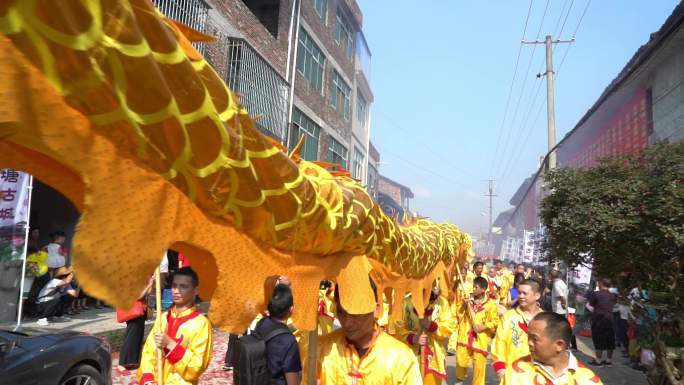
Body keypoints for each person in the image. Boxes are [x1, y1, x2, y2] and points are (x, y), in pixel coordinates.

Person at [316, 278, 421, 384]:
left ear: (376, 310)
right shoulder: (321, 351)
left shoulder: (401, 358)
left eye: (356, 313)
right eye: (341, 312)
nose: (347, 322)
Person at [138, 267, 213, 385]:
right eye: (174, 285)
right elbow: (148, 351)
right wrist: (148, 378)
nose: (176, 291)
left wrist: (170, 344)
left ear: (196, 290)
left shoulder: (201, 323)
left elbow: (197, 367)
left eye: (183, 286)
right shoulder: (163, 318)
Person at [508, 312, 603, 385]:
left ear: (559, 345)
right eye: (528, 337)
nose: (529, 343)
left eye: (534, 339)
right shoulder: (517, 371)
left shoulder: (588, 380)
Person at [395, 285, 454, 385]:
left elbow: (449, 325)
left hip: (435, 356)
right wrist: (413, 338)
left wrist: (431, 326)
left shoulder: (442, 303)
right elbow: (398, 328)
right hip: (411, 356)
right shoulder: (405, 303)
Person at [492, 279, 543, 384]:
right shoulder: (508, 317)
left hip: (537, 376)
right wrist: (500, 367)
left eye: (525, 293)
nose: (520, 296)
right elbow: (499, 342)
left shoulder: (545, 319)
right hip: (511, 375)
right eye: (519, 293)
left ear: (537, 295)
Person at [453, 276, 499, 385]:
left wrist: (484, 326)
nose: (473, 289)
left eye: (476, 287)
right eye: (473, 287)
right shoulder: (467, 299)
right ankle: (459, 380)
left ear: (483, 289)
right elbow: (458, 314)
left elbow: (495, 321)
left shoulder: (490, 304)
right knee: (461, 362)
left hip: (480, 339)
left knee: (479, 368)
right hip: (465, 336)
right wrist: (464, 304)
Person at [253, 284, 302, 385]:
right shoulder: (289, 341)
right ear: (291, 309)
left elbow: (277, 332)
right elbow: (293, 382)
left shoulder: (262, 323)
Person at [117, 275, 155, 371]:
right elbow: (138, 296)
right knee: (130, 338)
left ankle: (132, 361)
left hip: (140, 311)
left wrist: (151, 283)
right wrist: (149, 284)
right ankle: (122, 363)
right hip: (133, 311)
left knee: (137, 337)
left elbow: (148, 292)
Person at [588, 278, 617, 367]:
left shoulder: (596, 294)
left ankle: (598, 361)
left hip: (599, 320)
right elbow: (614, 305)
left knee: (598, 340)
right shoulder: (613, 296)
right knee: (610, 340)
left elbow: (590, 306)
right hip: (610, 320)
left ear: (601, 283)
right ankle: (608, 361)